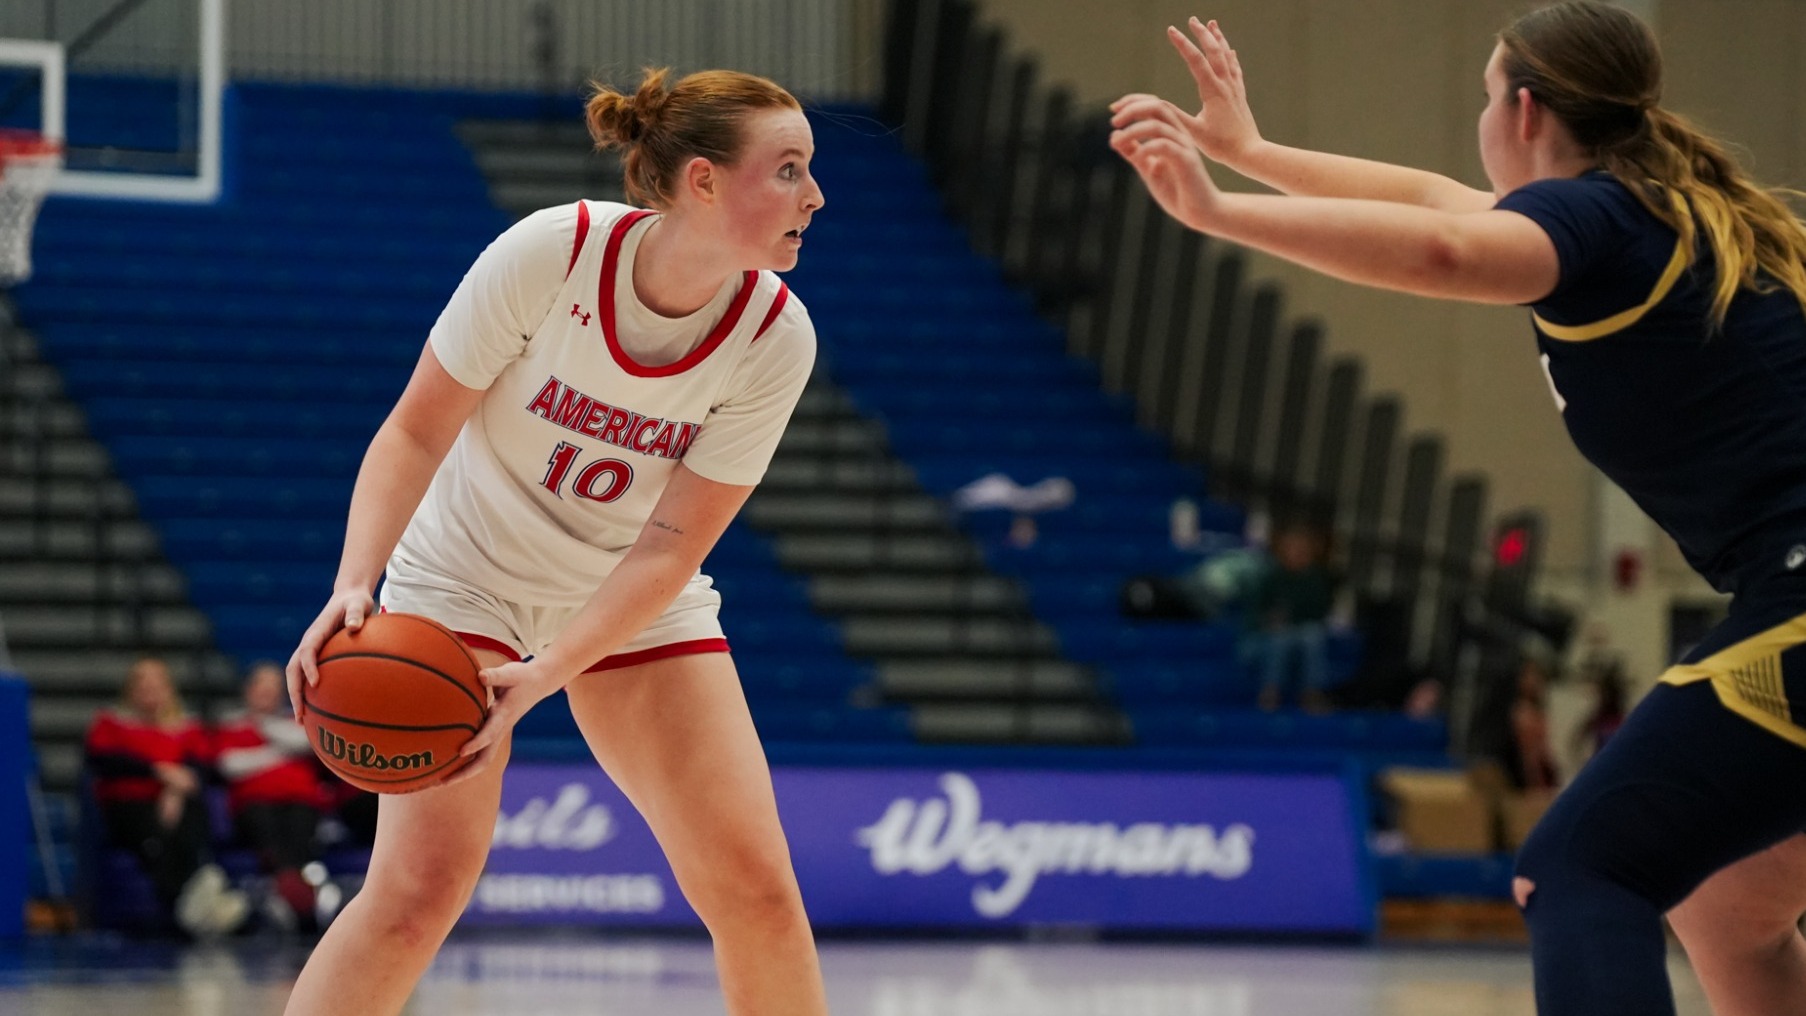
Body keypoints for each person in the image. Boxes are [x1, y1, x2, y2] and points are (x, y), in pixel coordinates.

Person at [1108, 4, 1806, 1013]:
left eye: (1484, 97)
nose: (1480, 127)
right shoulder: (1656, 210)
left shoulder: (1599, 220)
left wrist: (1215, 211)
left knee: (1579, 868)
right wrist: (1252, 152)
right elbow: (1434, 202)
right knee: (1723, 903)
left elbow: (1440, 247)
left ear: (1522, 111)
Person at [282, 67, 827, 1016]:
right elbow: (415, 429)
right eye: (788, 171)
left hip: (629, 593)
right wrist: (352, 585)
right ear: (702, 181)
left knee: (758, 896)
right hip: (465, 579)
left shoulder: (774, 338)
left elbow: (669, 547)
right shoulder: (553, 252)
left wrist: (550, 668)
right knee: (416, 896)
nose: (814, 196)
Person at [83, 656, 249, 937]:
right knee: (154, 834)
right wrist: (157, 772)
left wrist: (173, 790)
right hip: (129, 805)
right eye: (142, 685)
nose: (150, 691)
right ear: (130, 690)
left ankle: (195, 900)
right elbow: (103, 760)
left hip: (178, 802)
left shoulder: (187, 727)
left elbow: (201, 766)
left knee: (190, 816)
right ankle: (192, 903)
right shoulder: (111, 723)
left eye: (156, 685)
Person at [212, 660, 336, 932]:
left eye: (272, 689)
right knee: (265, 826)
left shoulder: (299, 720)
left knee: (300, 826)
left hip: (301, 803)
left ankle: (288, 893)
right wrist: (281, 752)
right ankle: (298, 899)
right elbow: (229, 764)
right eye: (261, 688)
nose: (266, 695)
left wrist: (266, 732)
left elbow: (309, 744)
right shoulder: (232, 724)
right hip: (254, 807)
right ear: (248, 690)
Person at [1244, 518, 1336, 712]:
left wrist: (1291, 617)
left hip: (1302, 632)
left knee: (1312, 635)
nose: (1296, 553)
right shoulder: (1271, 577)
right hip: (1270, 633)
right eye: (1291, 548)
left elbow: (1319, 612)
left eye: (1301, 549)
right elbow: (1257, 612)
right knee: (1280, 637)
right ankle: (1270, 691)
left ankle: (1312, 693)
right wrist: (1269, 620)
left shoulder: (1315, 579)